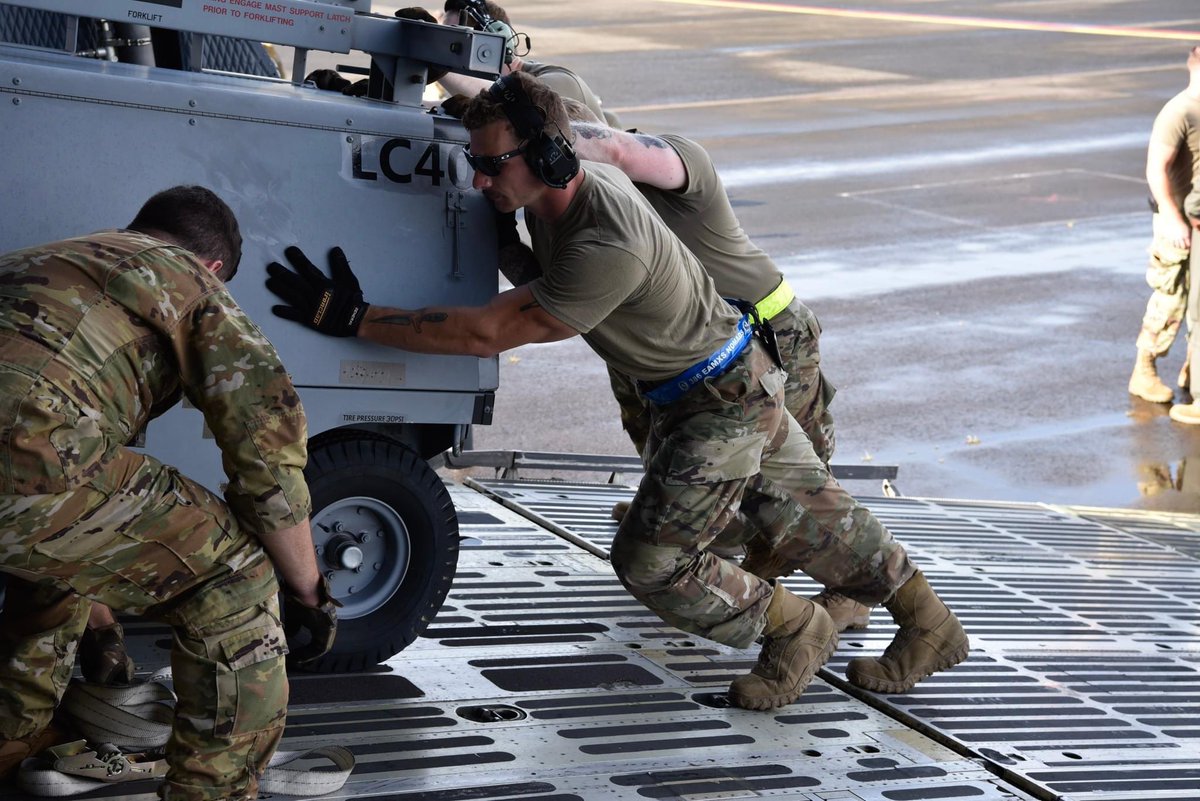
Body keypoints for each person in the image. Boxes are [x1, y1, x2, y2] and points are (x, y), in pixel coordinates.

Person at [265, 72, 967, 709]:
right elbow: (529, 257)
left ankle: (797, 628)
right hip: (718, 381)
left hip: (718, 401)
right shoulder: (553, 199)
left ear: (548, 158)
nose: (478, 179)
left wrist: (354, 317)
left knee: (652, 559)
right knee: (817, 513)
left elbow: (488, 331)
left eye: (489, 164)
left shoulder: (609, 242)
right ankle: (931, 625)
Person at [0, 186, 338, 801]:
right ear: (213, 268)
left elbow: (63, 532)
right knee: (233, 578)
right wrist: (309, 592)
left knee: (45, 560)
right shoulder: (187, 280)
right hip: (28, 464)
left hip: (26, 481)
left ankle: (12, 745)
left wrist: (103, 633)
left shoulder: (40, 261)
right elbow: (264, 453)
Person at [561, 111, 869, 632]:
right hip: (713, 346)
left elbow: (615, 150)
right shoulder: (607, 198)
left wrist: (530, 133)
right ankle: (739, 543)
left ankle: (856, 591)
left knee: (804, 478)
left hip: (773, 332)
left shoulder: (674, 160)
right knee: (716, 460)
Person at [1131, 45, 1200, 411]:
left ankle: (1193, 370)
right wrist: (1173, 217)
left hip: (1198, 218)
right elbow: (1155, 168)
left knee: (1199, 303)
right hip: (1176, 221)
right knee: (1172, 296)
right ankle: (1144, 369)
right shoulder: (1179, 111)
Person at [435, 0, 621, 127]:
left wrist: (438, 60)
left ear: (495, 41)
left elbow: (502, 103)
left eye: (456, 45)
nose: (451, 53)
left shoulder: (559, 82)